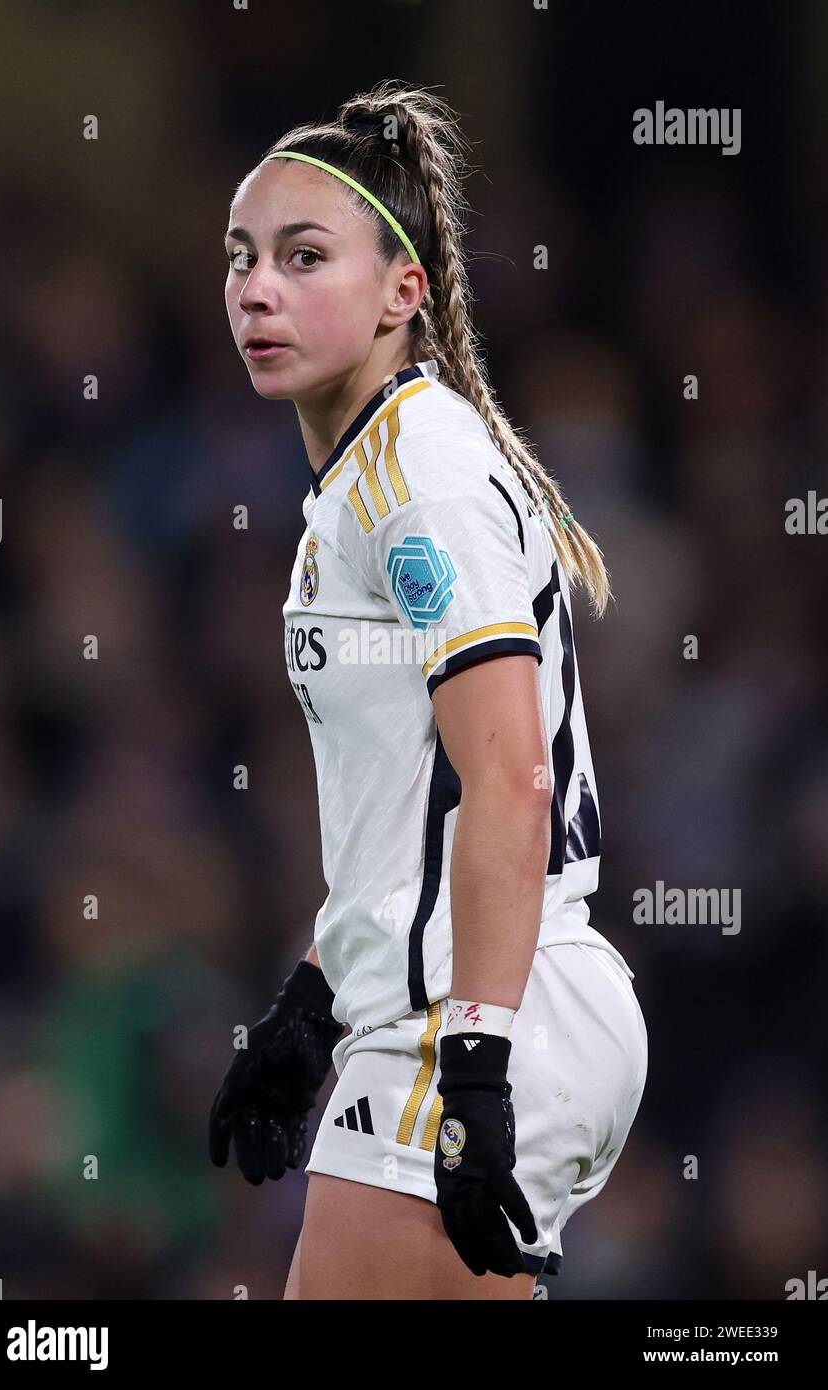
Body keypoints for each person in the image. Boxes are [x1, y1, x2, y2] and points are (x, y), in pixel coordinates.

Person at [209, 80, 648, 1302]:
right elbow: (418, 802)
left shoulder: (418, 474)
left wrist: (476, 1064)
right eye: (242, 257)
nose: (257, 287)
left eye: (304, 257)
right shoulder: (364, 480)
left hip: (485, 1007)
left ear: (405, 290)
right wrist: (312, 992)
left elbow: (510, 771)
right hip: (469, 1003)